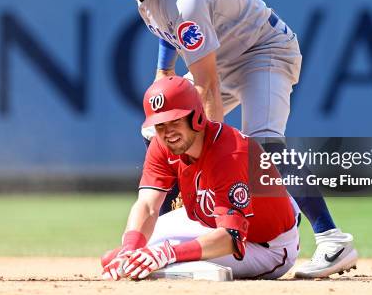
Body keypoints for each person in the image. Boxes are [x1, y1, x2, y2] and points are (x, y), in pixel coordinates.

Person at [88, 0, 357, 278]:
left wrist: (214, 155)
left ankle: (331, 238)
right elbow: (168, 28)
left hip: (263, 50)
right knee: (165, 130)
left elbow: (207, 87)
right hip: (223, 54)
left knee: (261, 148)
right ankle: (165, 239)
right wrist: (163, 75)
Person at [101, 76, 300, 280]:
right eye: (160, 125)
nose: (168, 132)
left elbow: (232, 238)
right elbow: (148, 205)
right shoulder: (161, 145)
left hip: (267, 246)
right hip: (214, 224)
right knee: (131, 256)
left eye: (175, 121)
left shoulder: (231, 153)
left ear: (196, 116)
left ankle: (182, 265)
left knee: (163, 257)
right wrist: (130, 248)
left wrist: (170, 253)